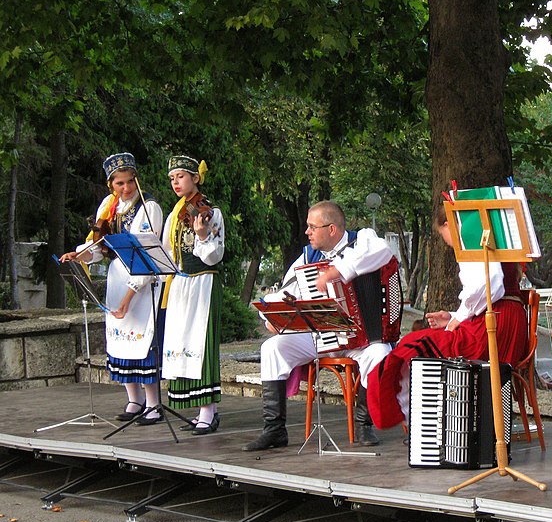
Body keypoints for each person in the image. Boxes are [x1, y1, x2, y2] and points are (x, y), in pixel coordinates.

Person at [242, 200, 395, 451]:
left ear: (332, 229)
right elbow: (284, 292)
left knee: (380, 354)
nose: (307, 232)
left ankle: (363, 424)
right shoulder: (307, 256)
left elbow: (384, 252)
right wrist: (273, 317)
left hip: (361, 339)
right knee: (273, 347)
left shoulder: (364, 239)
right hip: (321, 337)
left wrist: (337, 271)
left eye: (313, 227)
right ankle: (274, 430)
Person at [367, 204, 528, 429]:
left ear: (448, 224)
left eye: (444, 235)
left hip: (494, 328)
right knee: (427, 339)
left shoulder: (473, 241)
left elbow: (486, 285)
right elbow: (491, 293)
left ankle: (420, 421)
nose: (447, 241)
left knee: (411, 344)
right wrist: (452, 316)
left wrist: (457, 318)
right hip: (508, 321)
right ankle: (430, 418)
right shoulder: (494, 240)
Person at [60, 152, 164, 424]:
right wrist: (78, 254)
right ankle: (134, 400)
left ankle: (153, 403)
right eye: (120, 183)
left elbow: (148, 256)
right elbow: (98, 249)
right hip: (116, 276)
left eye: (130, 182)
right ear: (111, 185)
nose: (126, 188)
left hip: (141, 282)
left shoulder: (148, 207)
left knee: (143, 343)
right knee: (120, 340)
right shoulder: (108, 206)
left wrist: (128, 299)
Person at [161, 156, 225, 435]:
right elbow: (166, 252)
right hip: (180, 285)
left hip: (203, 284)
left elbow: (213, 257)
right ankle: (197, 409)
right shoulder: (174, 215)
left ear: (196, 178)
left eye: (181, 177)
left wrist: (201, 236)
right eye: (172, 178)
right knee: (181, 344)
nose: (176, 182)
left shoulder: (211, 213)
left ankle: (208, 413)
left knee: (202, 345)